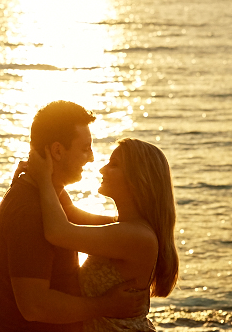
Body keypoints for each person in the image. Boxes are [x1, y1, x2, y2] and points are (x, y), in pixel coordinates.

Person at [0, 101, 147, 332]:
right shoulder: (30, 211)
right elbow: (35, 306)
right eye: (85, 148)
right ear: (58, 151)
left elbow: (74, 217)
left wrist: (134, 227)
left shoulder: (47, 195)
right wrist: (105, 305)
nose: (92, 158)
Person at [27, 138, 179, 332]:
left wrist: (43, 179)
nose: (102, 169)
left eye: (114, 165)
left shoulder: (134, 236)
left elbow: (58, 232)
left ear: (137, 179)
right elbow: (70, 213)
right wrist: (52, 179)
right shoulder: (125, 227)